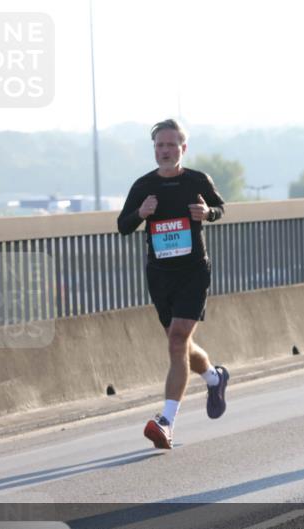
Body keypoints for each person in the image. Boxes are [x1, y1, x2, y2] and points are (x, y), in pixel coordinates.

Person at [118, 119, 230, 449]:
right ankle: (214, 377)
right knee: (178, 341)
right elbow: (123, 225)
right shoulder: (143, 186)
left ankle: (166, 421)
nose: (165, 151)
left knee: (178, 339)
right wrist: (141, 212)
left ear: (183, 148)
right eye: (159, 146)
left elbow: (221, 208)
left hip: (193, 270)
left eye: (171, 145)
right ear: (154, 149)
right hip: (160, 274)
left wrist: (207, 213)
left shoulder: (197, 180)